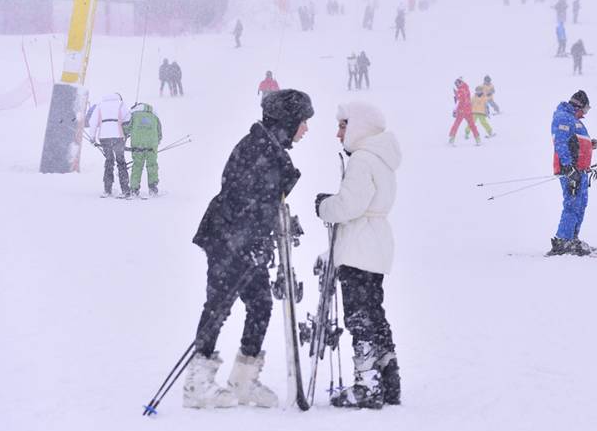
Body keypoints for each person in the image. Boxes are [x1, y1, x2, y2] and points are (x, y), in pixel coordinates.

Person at [184, 89, 314, 409]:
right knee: (218, 304)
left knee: (260, 304)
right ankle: (196, 383)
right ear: (289, 120)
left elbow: (266, 202)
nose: (307, 129)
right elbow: (240, 199)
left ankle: (243, 380)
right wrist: (250, 241)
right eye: (303, 121)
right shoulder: (258, 149)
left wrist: (277, 227)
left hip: (247, 242)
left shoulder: (270, 149)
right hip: (227, 239)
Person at [316, 102, 402, 409]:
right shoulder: (381, 158)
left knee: (359, 316)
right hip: (376, 243)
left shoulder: (362, 160)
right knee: (375, 312)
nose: (339, 133)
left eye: (343, 125)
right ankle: (388, 379)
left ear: (359, 126)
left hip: (359, 246)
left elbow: (349, 207)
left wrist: (324, 206)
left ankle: (367, 384)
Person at [549, 90, 597, 256]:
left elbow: (575, 143)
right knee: (572, 204)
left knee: (581, 203)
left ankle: (573, 238)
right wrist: (568, 166)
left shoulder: (575, 121)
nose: (586, 112)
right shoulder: (563, 117)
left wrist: (589, 145)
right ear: (579, 105)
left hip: (581, 171)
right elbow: (561, 142)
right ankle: (563, 241)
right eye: (586, 108)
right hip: (570, 170)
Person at [88, 93, 132, 197]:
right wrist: (126, 133)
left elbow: (92, 122)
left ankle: (107, 189)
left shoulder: (100, 105)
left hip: (104, 137)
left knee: (109, 161)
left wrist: (92, 137)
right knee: (121, 161)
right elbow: (128, 119)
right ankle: (125, 190)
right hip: (118, 136)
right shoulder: (120, 104)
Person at [127, 102, 162, 197]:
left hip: (137, 144)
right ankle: (153, 188)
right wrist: (156, 142)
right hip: (151, 144)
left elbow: (126, 128)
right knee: (152, 165)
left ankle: (134, 189)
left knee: (137, 166)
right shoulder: (154, 115)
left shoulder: (133, 114)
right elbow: (159, 131)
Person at [448, 78, 479, 145]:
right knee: (472, 125)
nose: (457, 85)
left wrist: (455, 110)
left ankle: (451, 139)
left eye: (457, 84)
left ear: (459, 83)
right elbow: (465, 99)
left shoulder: (460, 91)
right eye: (456, 84)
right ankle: (478, 139)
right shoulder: (466, 88)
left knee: (456, 124)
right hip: (468, 110)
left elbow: (459, 101)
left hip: (461, 111)